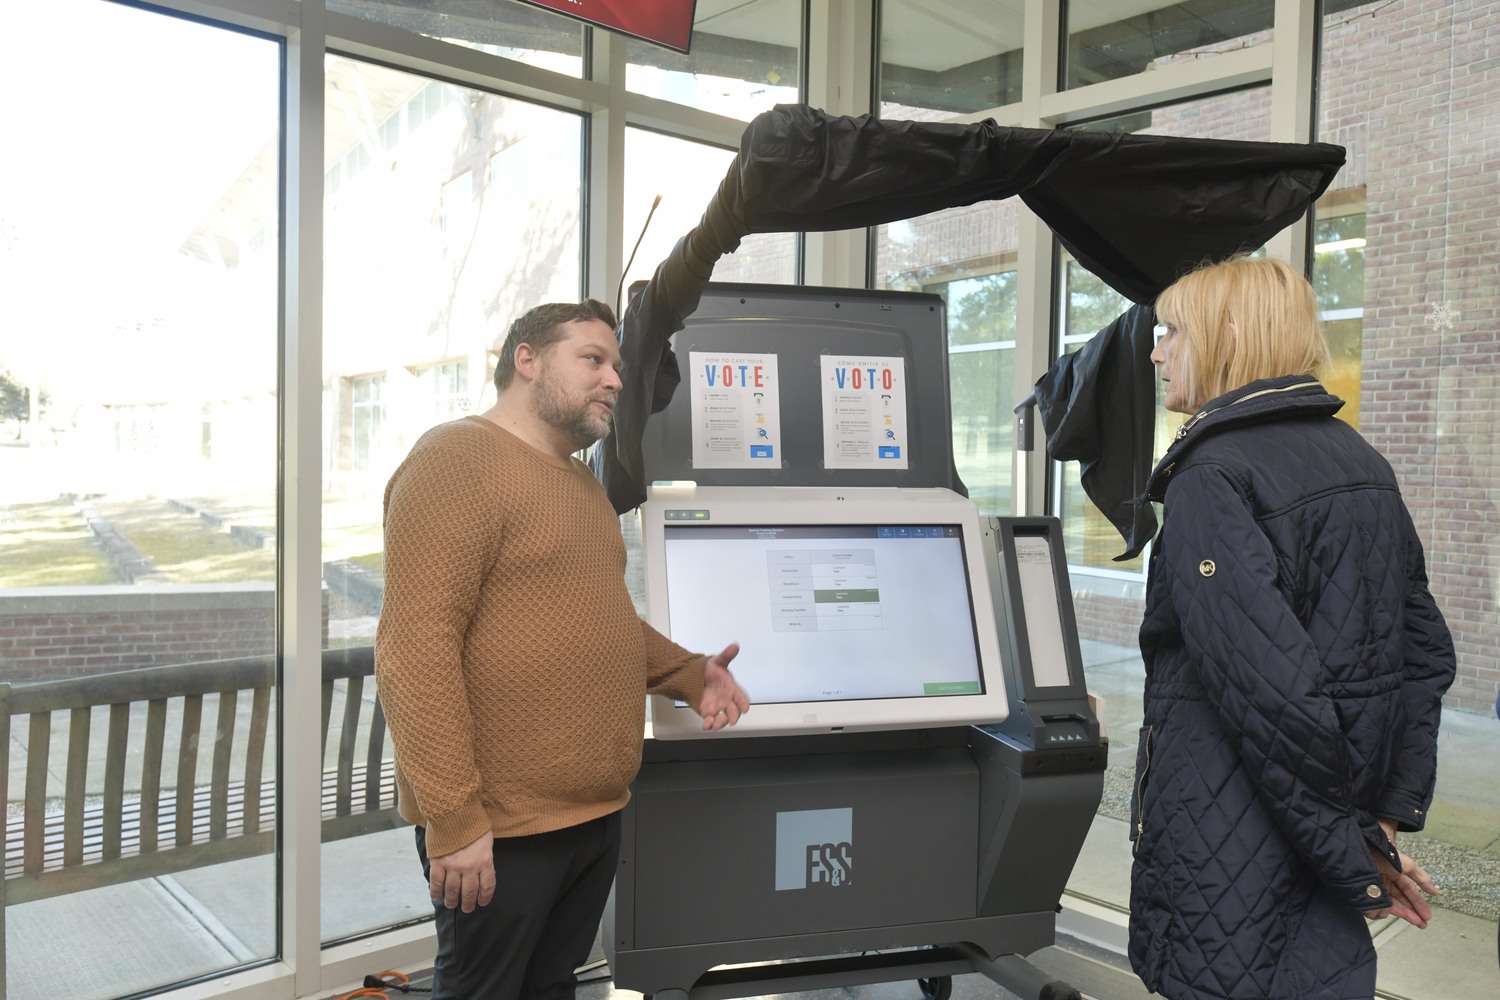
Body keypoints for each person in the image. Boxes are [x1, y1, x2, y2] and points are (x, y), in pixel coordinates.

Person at [375, 299, 750, 1000]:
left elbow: (599, 620)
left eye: (617, 365)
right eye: (593, 360)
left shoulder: (581, 485)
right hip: (501, 824)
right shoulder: (455, 461)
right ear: (527, 359)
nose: (613, 379)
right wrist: (454, 821)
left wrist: (691, 673)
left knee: (552, 988)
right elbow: (413, 650)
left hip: (593, 813)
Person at [1128, 256, 1456, 1000]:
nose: (1156, 350)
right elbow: (1426, 657)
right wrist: (1382, 823)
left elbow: (1274, 699)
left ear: (1230, 337)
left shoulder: (1213, 476)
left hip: (1233, 847)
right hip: (1321, 829)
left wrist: (1355, 852)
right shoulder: (1361, 460)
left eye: (1171, 331)